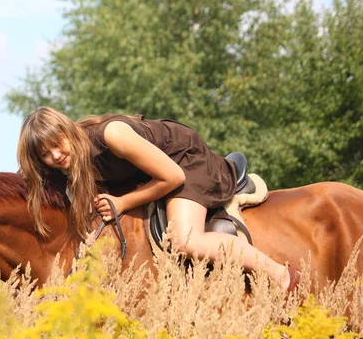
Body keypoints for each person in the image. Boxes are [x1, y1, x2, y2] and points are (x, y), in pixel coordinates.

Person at [17, 106, 298, 291]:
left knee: (186, 241)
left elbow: (172, 177)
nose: (55, 156)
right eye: (45, 154)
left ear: (68, 131)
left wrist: (123, 202)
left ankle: (281, 276)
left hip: (184, 163)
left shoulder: (111, 135)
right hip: (150, 174)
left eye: (57, 144)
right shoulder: (66, 163)